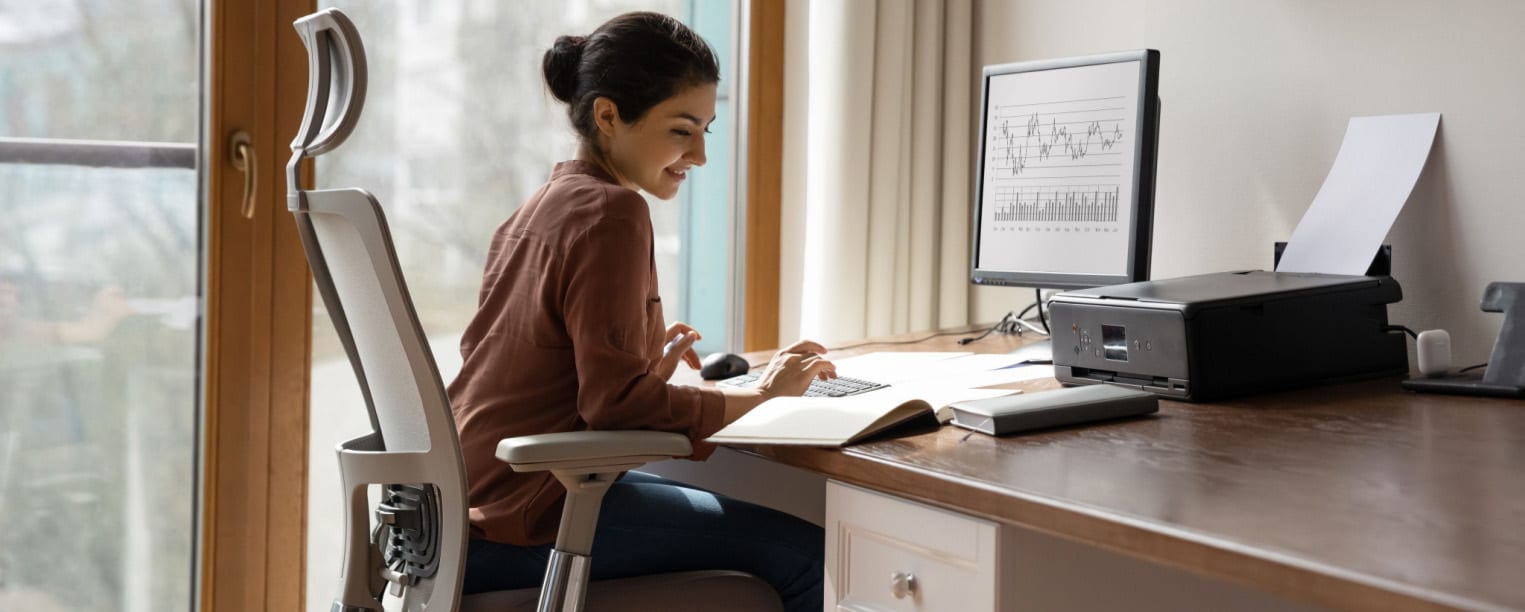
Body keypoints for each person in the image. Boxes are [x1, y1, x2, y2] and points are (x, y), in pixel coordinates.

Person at [447, 12, 832, 611]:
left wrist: (644, 367)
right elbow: (614, 405)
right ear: (608, 116)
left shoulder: (537, 209)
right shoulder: (612, 213)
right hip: (525, 520)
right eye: (682, 130)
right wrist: (763, 399)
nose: (701, 155)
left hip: (457, 517)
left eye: (706, 128)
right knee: (816, 560)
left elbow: (535, 375)